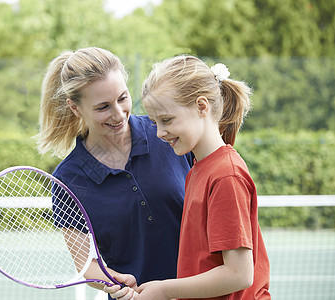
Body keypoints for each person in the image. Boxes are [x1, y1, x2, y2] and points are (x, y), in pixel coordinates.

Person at [108, 55, 270, 300]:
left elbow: (239, 274)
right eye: (154, 122)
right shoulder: (197, 169)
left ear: (202, 106)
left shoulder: (226, 175)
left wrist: (164, 289)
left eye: (167, 120)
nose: (160, 133)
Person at [36, 47, 194, 298]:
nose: (118, 114)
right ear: (75, 108)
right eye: (103, 107)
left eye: (122, 98)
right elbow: (88, 265)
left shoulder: (167, 134)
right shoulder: (68, 180)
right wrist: (113, 280)